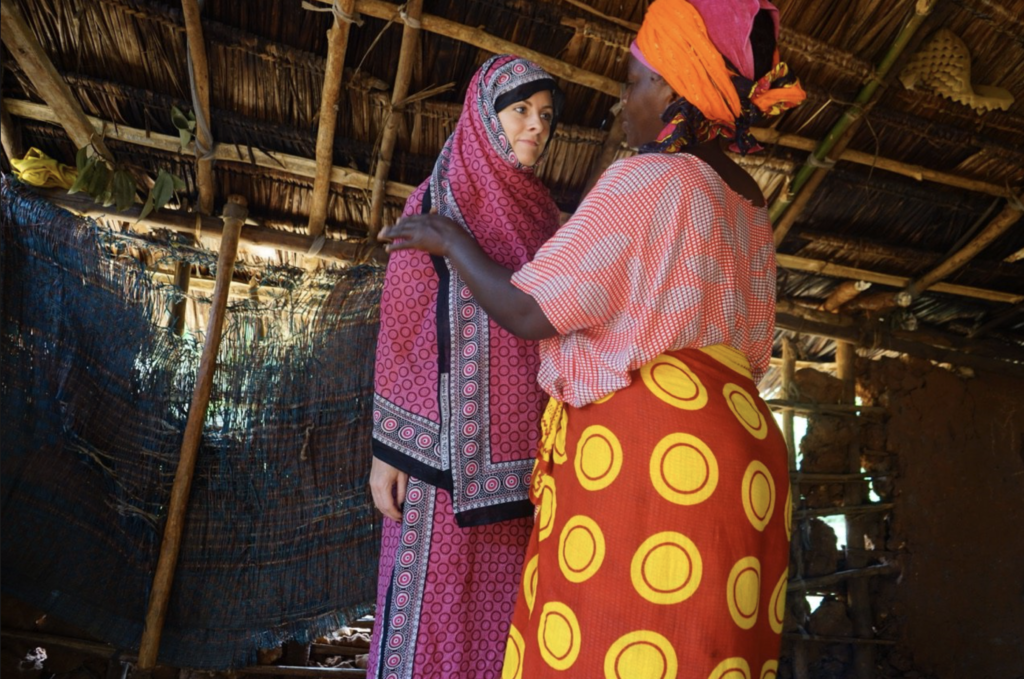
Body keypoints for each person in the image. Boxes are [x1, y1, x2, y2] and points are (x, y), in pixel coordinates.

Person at [378, 1, 807, 676]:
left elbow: (526, 308)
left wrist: (452, 240)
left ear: (669, 87)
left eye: (632, 82)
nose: (621, 103)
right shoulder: (750, 203)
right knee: (706, 654)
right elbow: (754, 340)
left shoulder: (646, 180)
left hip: (654, 454)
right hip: (747, 455)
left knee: (612, 642)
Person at [367, 55, 564, 679]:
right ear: (485, 115)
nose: (536, 126)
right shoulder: (436, 199)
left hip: (521, 468)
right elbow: (401, 325)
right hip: (438, 460)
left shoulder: (546, 218)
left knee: (504, 620)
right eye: (521, 111)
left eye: (545, 116)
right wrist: (388, 453)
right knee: (431, 614)